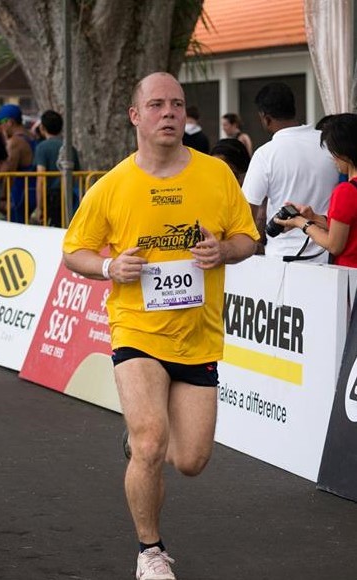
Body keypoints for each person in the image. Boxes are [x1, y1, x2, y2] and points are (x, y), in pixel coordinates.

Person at [63, 71, 259, 580]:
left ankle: (138, 443)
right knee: (152, 441)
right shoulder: (112, 186)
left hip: (198, 335)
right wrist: (111, 266)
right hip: (137, 330)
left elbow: (247, 239)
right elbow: (74, 252)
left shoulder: (216, 175)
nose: (169, 112)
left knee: (191, 460)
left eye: (176, 103)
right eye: (156, 104)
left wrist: (223, 251)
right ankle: (150, 551)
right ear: (135, 115)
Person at [242, 82, 339, 262]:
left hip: (281, 258)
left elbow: (247, 212)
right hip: (328, 255)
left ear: (265, 118)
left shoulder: (265, 154)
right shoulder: (328, 144)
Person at [273, 113, 357, 268]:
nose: (332, 158)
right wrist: (314, 218)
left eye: (333, 151)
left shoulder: (346, 191)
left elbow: (334, 245)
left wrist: (301, 222)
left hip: (349, 275)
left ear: (344, 153)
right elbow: (349, 230)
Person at [31, 110, 80, 227]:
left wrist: (39, 207)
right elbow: (76, 175)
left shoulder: (42, 148)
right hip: (68, 195)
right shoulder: (70, 148)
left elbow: (41, 178)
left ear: (42, 128)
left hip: (51, 197)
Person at [0, 103, 36, 222]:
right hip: (32, 189)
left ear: (10, 122)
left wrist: (4, 197)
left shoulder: (14, 142)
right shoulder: (32, 136)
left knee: (16, 226)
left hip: (19, 192)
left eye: (1, 122)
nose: (0, 126)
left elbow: (10, 173)